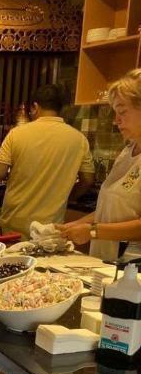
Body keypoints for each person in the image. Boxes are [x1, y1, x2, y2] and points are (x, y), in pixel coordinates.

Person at [0, 84, 95, 239]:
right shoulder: (79, 139)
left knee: (13, 255)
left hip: (16, 222)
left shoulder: (17, 134)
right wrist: (68, 197)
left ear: (35, 107)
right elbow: (88, 180)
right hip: (51, 226)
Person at [59, 69, 141, 261]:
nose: (116, 120)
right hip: (107, 262)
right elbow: (110, 209)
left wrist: (93, 231)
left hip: (133, 268)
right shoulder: (127, 152)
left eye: (122, 112)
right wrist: (76, 225)